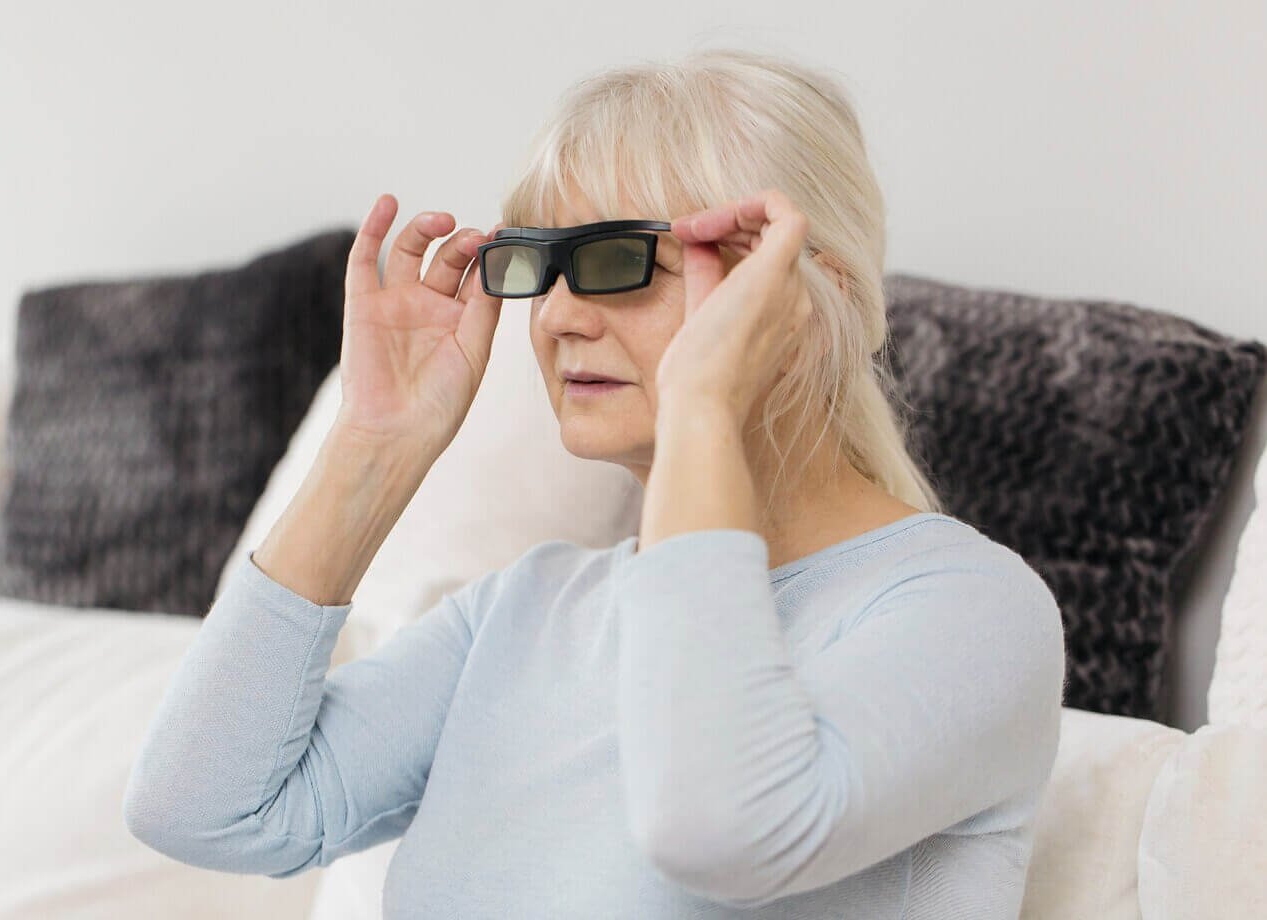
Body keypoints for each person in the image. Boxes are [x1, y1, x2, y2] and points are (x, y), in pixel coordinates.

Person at [123, 47, 1065, 918]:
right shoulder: (525, 611)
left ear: (803, 303)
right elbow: (203, 807)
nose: (559, 316)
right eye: (546, 264)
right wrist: (373, 446)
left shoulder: (968, 611)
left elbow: (719, 831)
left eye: (617, 261)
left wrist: (704, 408)